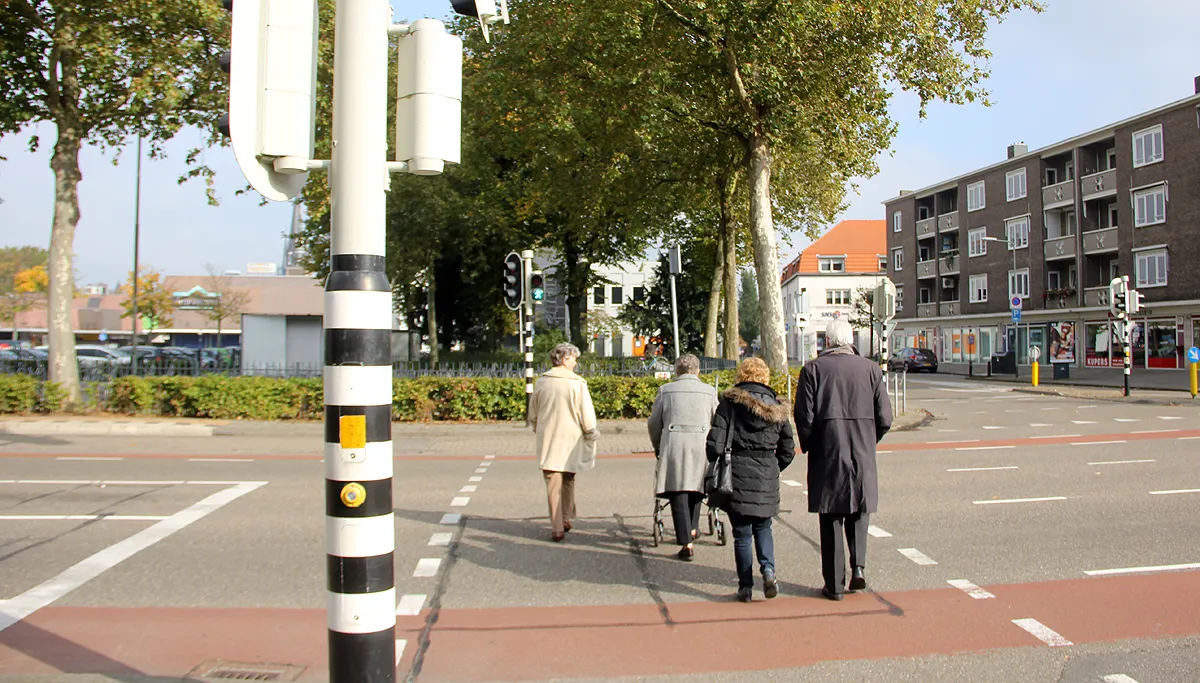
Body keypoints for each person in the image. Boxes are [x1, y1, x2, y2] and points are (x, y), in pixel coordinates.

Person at [794, 319, 892, 601]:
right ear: (851, 342)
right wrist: (868, 439)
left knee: (831, 515)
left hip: (828, 451)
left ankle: (835, 584)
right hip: (861, 450)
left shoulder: (813, 370)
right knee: (860, 510)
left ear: (828, 341)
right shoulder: (871, 369)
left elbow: (804, 416)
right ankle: (858, 567)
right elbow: (885, 417)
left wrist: (811, 444)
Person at [706, 357, 795, 602]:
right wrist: (774, 467)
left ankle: (745, 587)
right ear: (765, 377)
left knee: (742, 533)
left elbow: (714, 444)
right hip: (766, 472)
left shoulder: (729, 404)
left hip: (736, 473)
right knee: (764, 526)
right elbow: (788, 448)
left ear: (741, 376)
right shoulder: (777, 408)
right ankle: (768, 570)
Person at [648, 354, 719, 561]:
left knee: (678, 489)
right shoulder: (709, 392)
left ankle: (686, 541)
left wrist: (657, 444)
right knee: (697, 486)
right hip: (701, 445)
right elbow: (718, 419)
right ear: (698, 371)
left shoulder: (666, 391)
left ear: (676, 371)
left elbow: (654, 423)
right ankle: (694, 528)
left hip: (675, 444)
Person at [529, 342, 600, 542]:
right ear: (564, 359)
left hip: (549, 438)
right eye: (574, 359)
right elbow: (586, 414)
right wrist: (591, 432)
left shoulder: (542, 382)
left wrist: (537, 427)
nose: (576, 363)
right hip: (571, 440)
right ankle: (566, 518)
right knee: (569, 478)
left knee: (552, 482)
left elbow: (533, 412)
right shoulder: (577, 383)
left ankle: (557, 527)